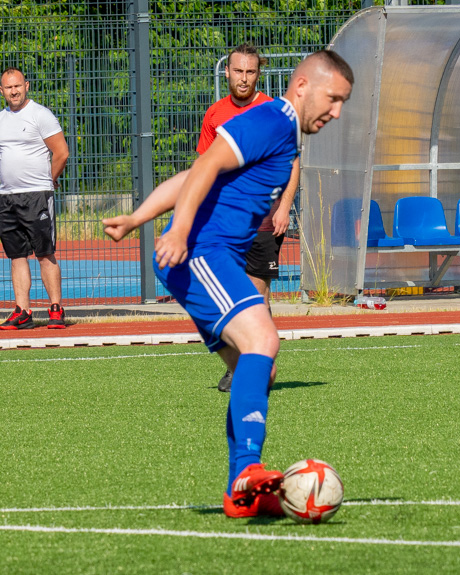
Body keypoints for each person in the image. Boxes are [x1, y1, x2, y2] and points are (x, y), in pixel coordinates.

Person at [103, 50, 353, 518]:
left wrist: (138, 216)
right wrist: (176, 230)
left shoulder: (287, 135)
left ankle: (241, 493)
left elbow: (193, 176)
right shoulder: (275, 120)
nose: (336, 112)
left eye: (343, 103)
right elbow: (204, 167)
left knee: (258, 368)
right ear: (303, 86)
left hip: (211, 257)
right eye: (333, 98)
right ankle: (246, 472)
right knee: (263, 338)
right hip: (201, 253)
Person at [197, 43, 300, 393]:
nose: (244, 78)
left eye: (250, 72)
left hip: (262, 222)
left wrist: (285, 206)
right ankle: (239, 364)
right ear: (227, 72)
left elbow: (293, 164)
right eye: (238, 71)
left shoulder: (273, 112)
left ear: (259, 74)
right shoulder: (214, 114)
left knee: (256, 298)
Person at [0, 67, 69, 330]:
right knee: (16, 255)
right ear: (2, 91)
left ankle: (55, 308)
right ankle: (22, 310)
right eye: (8, 87)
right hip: (6, 197)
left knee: (44, 252)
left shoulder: (41, 115)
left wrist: (48, 181)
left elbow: (61, 152)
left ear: (26, 86)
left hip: (37, 196)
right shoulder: (1, 120)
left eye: (17, 86)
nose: (14, 91)